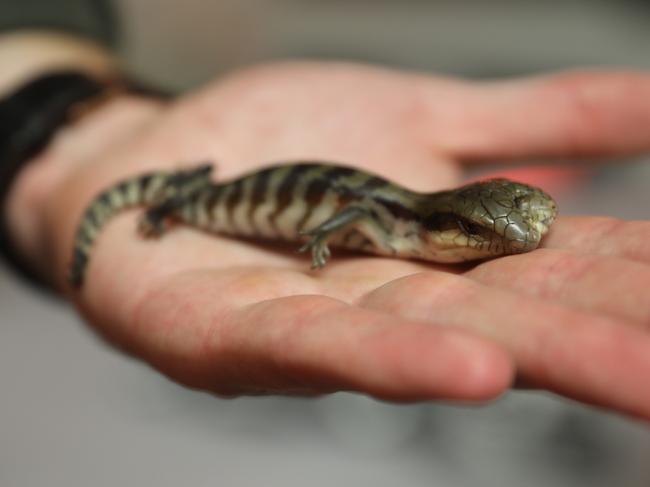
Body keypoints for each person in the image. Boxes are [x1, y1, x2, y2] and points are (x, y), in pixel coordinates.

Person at [2, 1, 650, 419]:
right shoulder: (391, 222)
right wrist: (319, 238)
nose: (500, 242)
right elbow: (347, 219)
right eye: (481, 233)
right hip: (209, 196)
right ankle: (156, 203)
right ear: (440, 225)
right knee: (178, 199)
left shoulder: (410, 220)